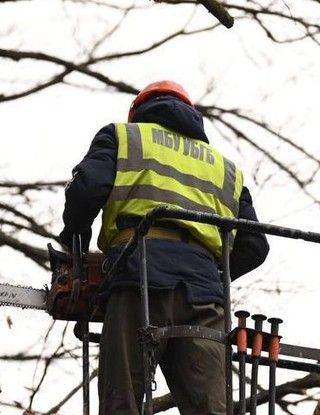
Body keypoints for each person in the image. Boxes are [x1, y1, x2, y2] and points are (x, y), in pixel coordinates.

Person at [59, 80, 269, 415]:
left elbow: (85, 190)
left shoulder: (124, 136)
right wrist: (211, 276)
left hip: (138, 274)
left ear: (138, 113)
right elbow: (255, 245)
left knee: (121, 402)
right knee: (212, 410)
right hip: (203, 295)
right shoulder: (225, 168)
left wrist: (75, 241)